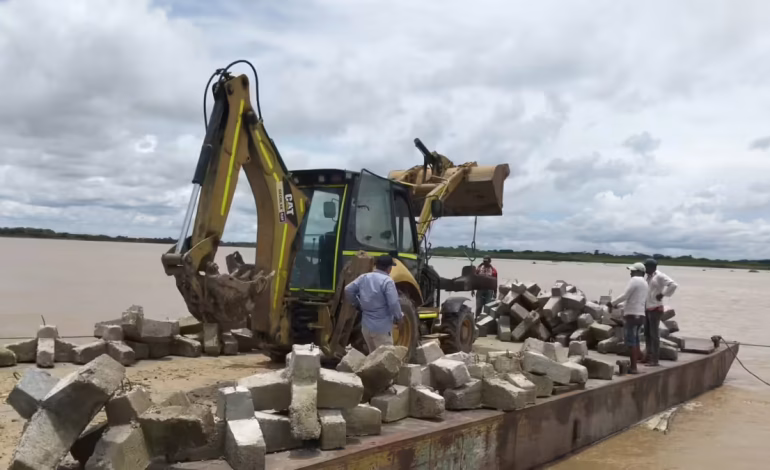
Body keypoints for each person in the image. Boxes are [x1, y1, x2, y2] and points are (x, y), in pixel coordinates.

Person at [344, 254, 404, 353]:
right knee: (386, 360)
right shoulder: (387, 281)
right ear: (389, 269)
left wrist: (357, 304)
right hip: (382, 330)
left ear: (376, 265)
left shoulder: (364, 277)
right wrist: (399, 318)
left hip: (366, 329)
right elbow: (393, 303)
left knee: (373, 359)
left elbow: (348, 290)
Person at [607, 262, 649, 374]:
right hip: (640, 315)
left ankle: (634, 367)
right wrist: (620, 305)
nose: (631, 272)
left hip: (632, 316)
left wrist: (612, 303)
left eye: (633, 270)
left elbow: (625, 295)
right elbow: (634, 300)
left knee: (631, 342)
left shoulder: (635, 280)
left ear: (639, 272)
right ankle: (638, 358)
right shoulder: (645, 283)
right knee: (635, 340)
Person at [643, 258, 678, 366]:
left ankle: (655, 359)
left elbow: (673, 284)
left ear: (652, 267)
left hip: (656, 308)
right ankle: (648, 356)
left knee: (654, 335)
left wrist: (663, 294)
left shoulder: (660, 276)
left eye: (646, 267)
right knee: (647, 334)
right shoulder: (648, 277)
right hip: (647, 308)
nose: (644, 269)